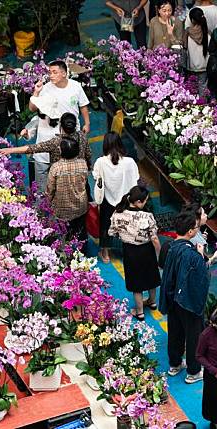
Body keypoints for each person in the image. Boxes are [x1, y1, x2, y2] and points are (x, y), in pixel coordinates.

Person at [159, 212, 213, 384]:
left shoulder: (170, 246)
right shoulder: (191, 254)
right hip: (188, 301)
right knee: (193, 336)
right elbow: (200, 278)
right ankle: (193, 371)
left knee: (175, 331)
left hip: (172, 297)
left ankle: (175, 364)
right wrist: (201, 255)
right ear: (190, 232)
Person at [29, 60, 91, 192]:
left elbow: (83, 105)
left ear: (64, 73)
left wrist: (87, 123)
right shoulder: (45, 88)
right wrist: (36, 92)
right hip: (52, 135)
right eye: (50, 72)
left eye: (54, 72)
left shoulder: (76, 86)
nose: (51, 75)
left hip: (71, 134)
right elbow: (32, 108)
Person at [108, 186, 161, 320]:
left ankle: (140, 312)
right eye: (145, 201)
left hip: (130, 251)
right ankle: (152, 302)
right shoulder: (147, 216)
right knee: (151, 276)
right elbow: (154, 238)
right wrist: (159, 252)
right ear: (138, 202)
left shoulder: (117, 213)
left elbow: (112, 232)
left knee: (136, 282)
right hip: (146, 250)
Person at [92, 132, 140, 264]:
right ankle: (127, 251)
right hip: (125, 201)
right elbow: (135, 179)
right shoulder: (129, 162)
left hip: (108, 201)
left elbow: (97, 178)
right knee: (127, 225)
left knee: (106, 225)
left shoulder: (100, 162)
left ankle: (105, 252)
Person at [0, 112, 92, 171]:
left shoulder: (56, 142)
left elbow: (32, 148)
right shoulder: (82, 137)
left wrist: (10, 150)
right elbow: (88, 155)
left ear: (60, 126)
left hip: (59, 181)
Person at [46, 137, 88, 242]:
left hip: (61, 208)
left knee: (63, 234)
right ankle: (81, 252)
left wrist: (47, 202)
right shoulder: (83, 163)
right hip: (80, 206)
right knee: (80, 231)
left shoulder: (56, 167)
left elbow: (50, 189)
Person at [185, 7, 211, 93]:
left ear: (192, 20)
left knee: (191, 90)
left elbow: (184, 48)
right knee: (203, 88)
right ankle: (203, 105)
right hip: (204, 67)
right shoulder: (208, 34)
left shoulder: (188, 33)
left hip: (191, 66)